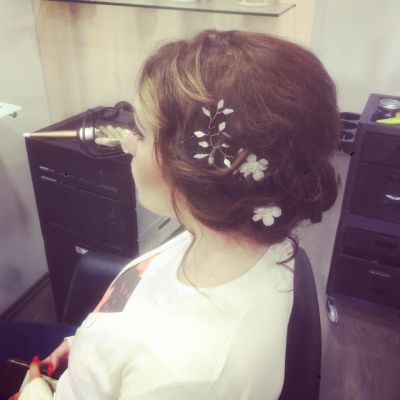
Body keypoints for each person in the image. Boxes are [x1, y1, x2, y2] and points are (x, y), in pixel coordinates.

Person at [9, 28, 340, 399]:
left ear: (194, 168)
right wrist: (89, 349)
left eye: (141, 132)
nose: (128, 144)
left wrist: (36, 392)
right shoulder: (234, 234)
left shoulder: (184, 379)